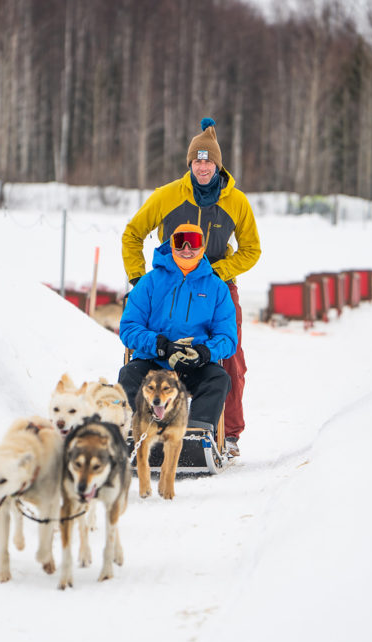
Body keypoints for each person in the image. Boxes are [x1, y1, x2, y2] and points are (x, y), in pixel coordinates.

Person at [121, 117, 260, 457]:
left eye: (208, 161)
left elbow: (252, 249)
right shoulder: (167, 195)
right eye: (197, 161)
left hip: (217, 286)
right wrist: (140, 280)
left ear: (218, 164)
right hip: (168, 282)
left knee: (231, 359)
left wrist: (218, 272)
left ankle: (227, 434)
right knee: (146, 349)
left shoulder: (236, 201)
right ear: (190, 164)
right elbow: (132, 234)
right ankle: (136, 426)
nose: (202, 167)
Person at [118, 223, 237, 434]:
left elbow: (227, 337)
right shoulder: (149, 282)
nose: (187, 249)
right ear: (172, 245)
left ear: (203, 247)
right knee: (129, 374)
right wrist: (159, 345)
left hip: (195, 363)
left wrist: (204, 352)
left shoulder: (217, 287)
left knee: (218, 379)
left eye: (194, 242)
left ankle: (196, 434)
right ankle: (135, 432)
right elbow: (129, 327)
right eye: (181, 242)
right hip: (154, 360)